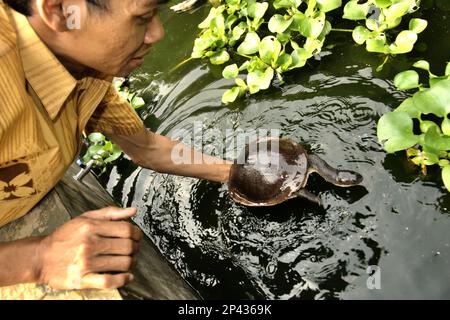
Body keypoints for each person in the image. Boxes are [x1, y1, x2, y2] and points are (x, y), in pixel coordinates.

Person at [0, 0, 232, 291]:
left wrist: (235, 174)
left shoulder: (85, 63)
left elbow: (147, 148)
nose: (157, 33)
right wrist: (38, 258)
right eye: (143, 17)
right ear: (60, 11)